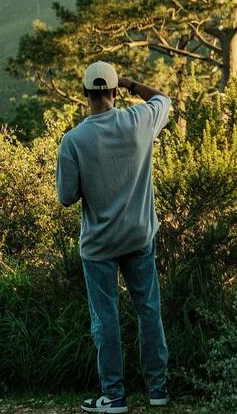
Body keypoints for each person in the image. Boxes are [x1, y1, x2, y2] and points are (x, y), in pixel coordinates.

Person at [56, 60, 172, 414]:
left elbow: (66, 197)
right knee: (148, 310)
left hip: (100, 246)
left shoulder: (74, 141)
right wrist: (132, 83)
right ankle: (158, 390)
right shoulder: (139, 122)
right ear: (114, 91)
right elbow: (164, 100)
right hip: (138, 236)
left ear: (86, 94)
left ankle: (115, 397)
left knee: (105, 319)